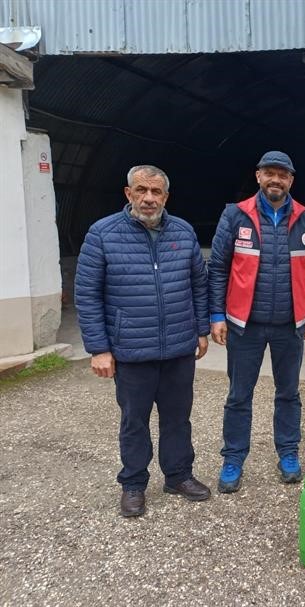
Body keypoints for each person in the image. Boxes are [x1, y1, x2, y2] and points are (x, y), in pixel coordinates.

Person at [75, 165, 211, 518]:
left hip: (179, 347)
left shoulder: (182, 231)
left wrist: (200, 329)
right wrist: (100, 348)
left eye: (156, 192)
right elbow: (87, 294)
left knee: (178, 418)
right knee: (134, 420)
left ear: (166, 197)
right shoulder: (102, 234)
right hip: (131, 350)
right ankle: (133, 484)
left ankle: (178, 476)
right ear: (128, 194)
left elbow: (199, 284)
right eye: (141, 190)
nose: (148, 198)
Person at [208, 150, 305, 491]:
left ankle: (288, 452)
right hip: (245, 325)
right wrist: (216, 316)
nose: (276, 179)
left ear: (291, 181)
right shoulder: (235, 215)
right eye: (270, 172)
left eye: (282, 174)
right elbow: (218, 268)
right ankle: (233, 459)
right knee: (239, 395)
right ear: (258, 176)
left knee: (288, 393)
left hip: (290, 325)